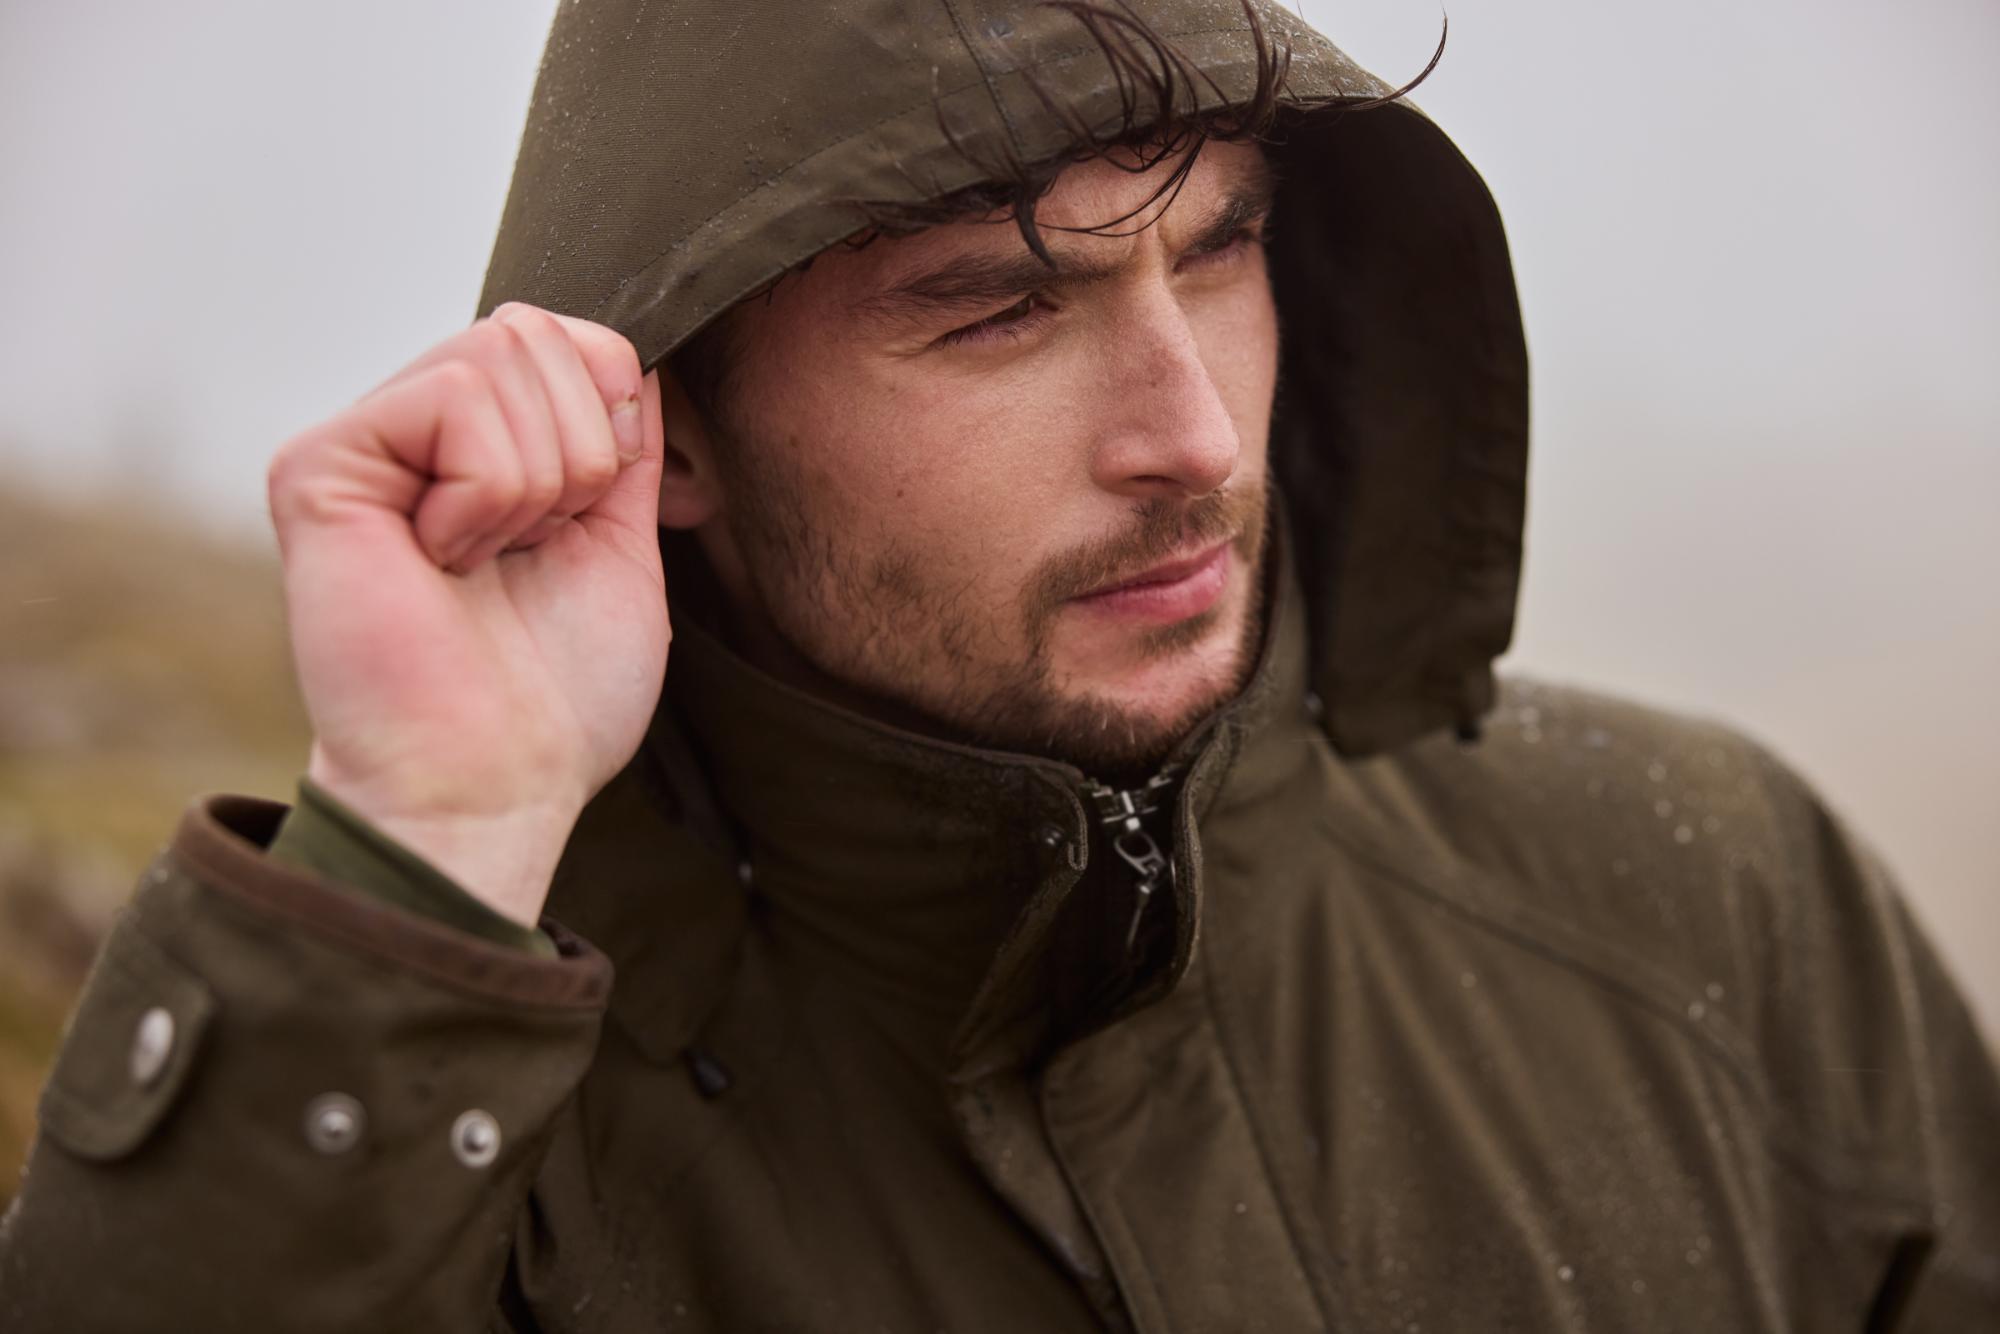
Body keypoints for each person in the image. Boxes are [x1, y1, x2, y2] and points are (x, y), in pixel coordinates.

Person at [3, 0, 1995, 1329]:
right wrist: (433, 835)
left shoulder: (1709, 896)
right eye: (997, 313)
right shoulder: (464, 1146)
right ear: (668, 425)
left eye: (1216, 250)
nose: (1191, 436)